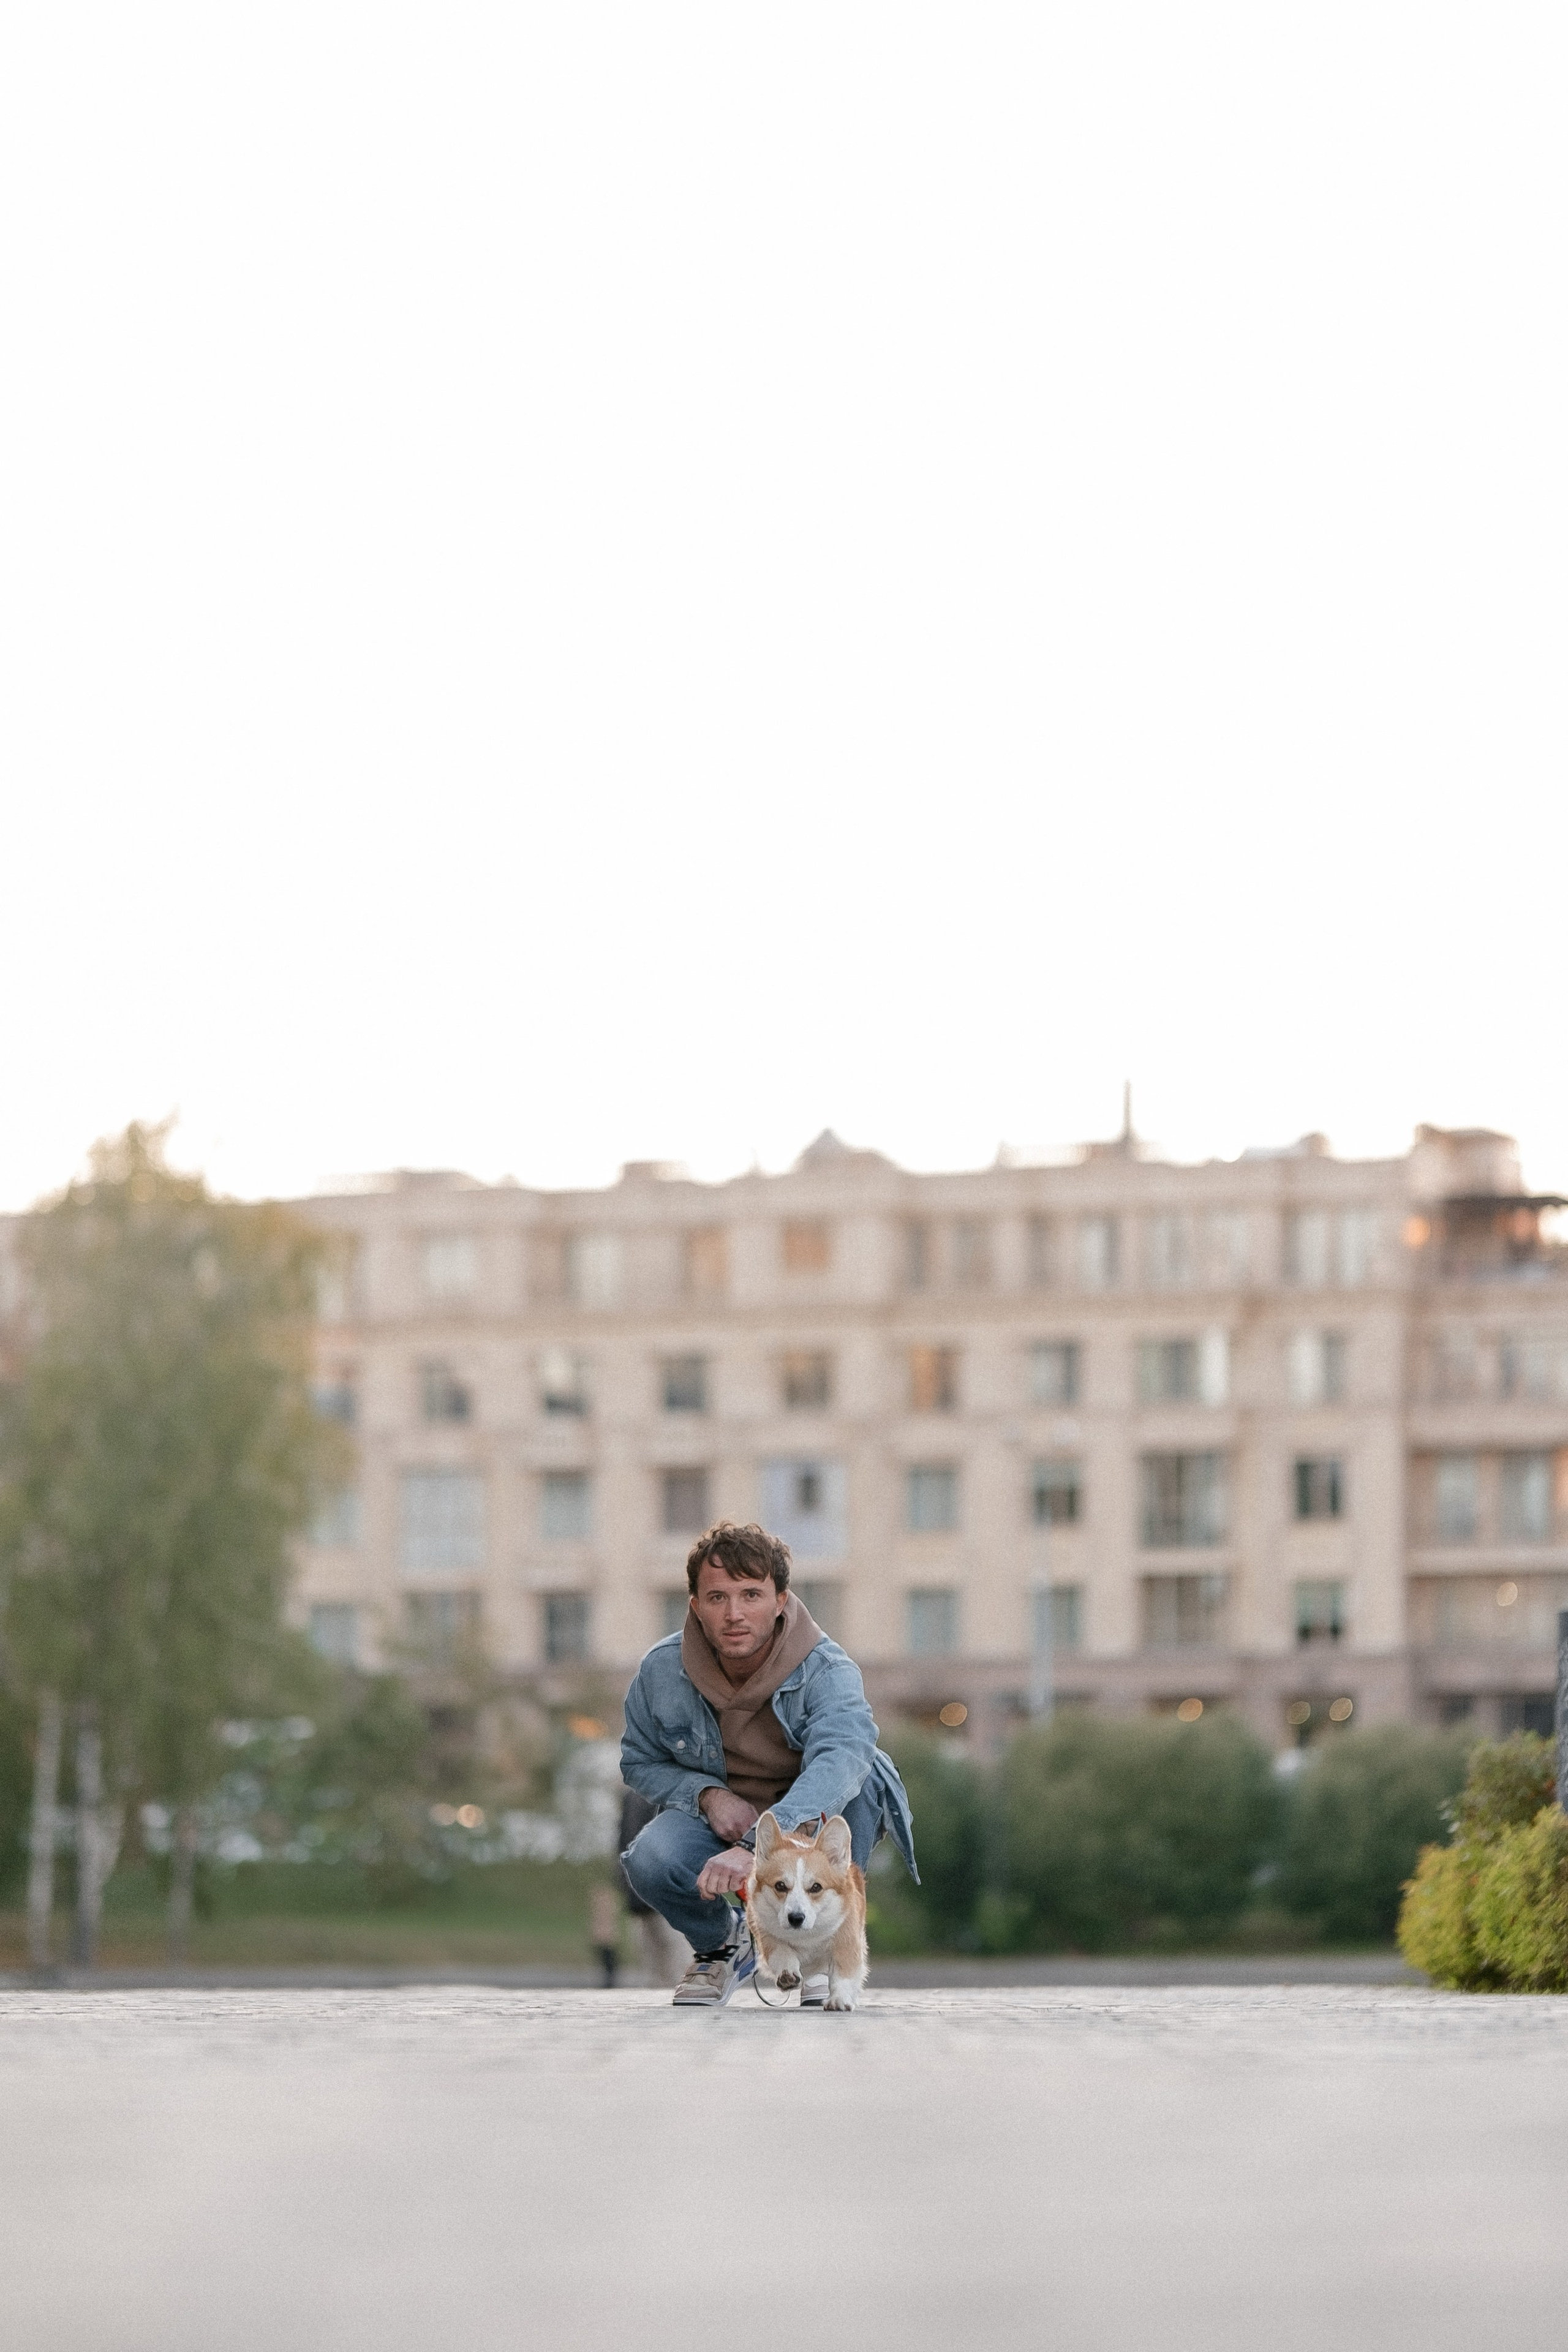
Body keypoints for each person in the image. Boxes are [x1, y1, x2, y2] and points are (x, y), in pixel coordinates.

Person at [620, 1519, 917, 2007]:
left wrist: (760, 1841)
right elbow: (639, 1762)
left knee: (862, 1785)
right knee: (650, 1858)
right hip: (722, 1815)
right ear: (695, 1605)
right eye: (717, 1598)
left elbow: (842, 1759)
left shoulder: (829, 1669)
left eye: (751, 1595)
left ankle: (822, 1952)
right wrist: (708, 1797)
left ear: (781, 1600)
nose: (734, 1613)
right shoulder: (660, 1671)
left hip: (812, 1812)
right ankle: (721, 1945)